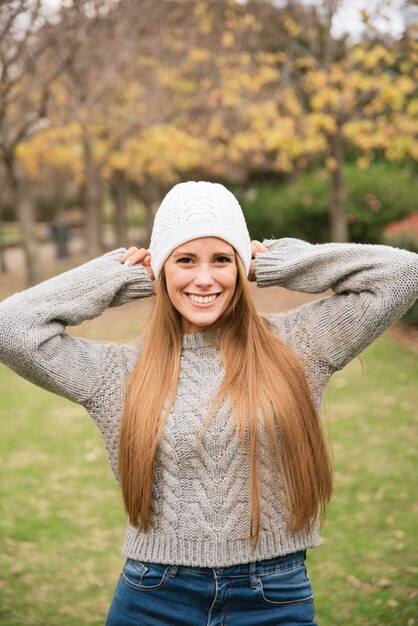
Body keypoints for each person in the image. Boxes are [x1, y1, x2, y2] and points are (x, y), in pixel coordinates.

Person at [0, 181, 417, 626]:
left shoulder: (302, 345)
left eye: (222, 259)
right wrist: (119, 277)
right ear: (162, 269)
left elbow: (403, 275)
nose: (204, 278)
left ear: (241, 266)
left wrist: (276, 261)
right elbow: (11, 328)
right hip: (154, 596)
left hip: (274, 595)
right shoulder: (116, 374)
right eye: (184, 260)